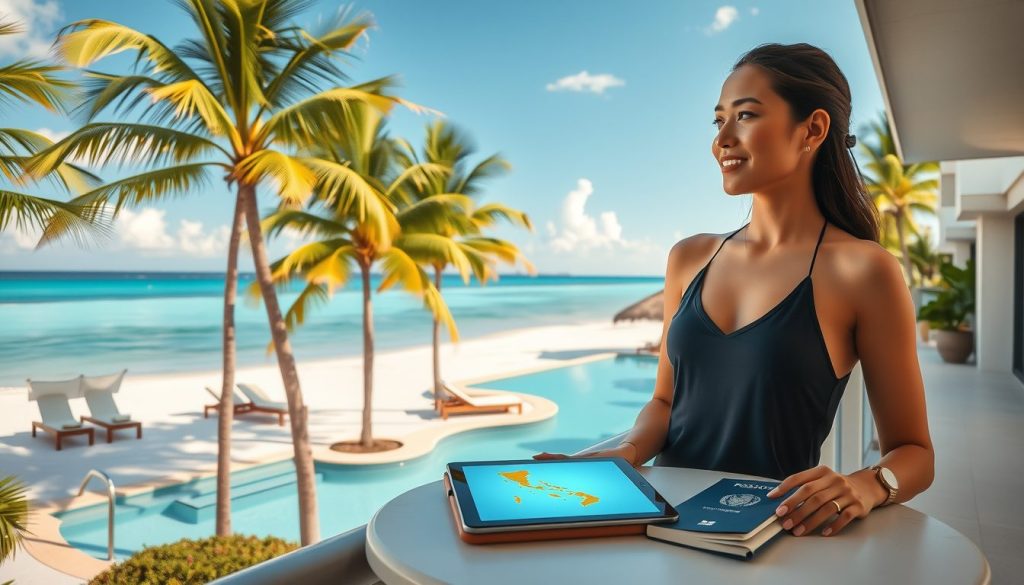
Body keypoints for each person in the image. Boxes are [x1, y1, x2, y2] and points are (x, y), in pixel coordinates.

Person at [532, 42, 935, 539]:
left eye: (745, 116)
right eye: (718, 120)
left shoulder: (864, 271)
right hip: (657, 523)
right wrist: (628, 451)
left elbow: (915, 452)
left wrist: (869, 485)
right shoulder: (690, 257)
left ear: (812, 129)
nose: (722, 138)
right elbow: (664, 403)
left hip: (766, 540)